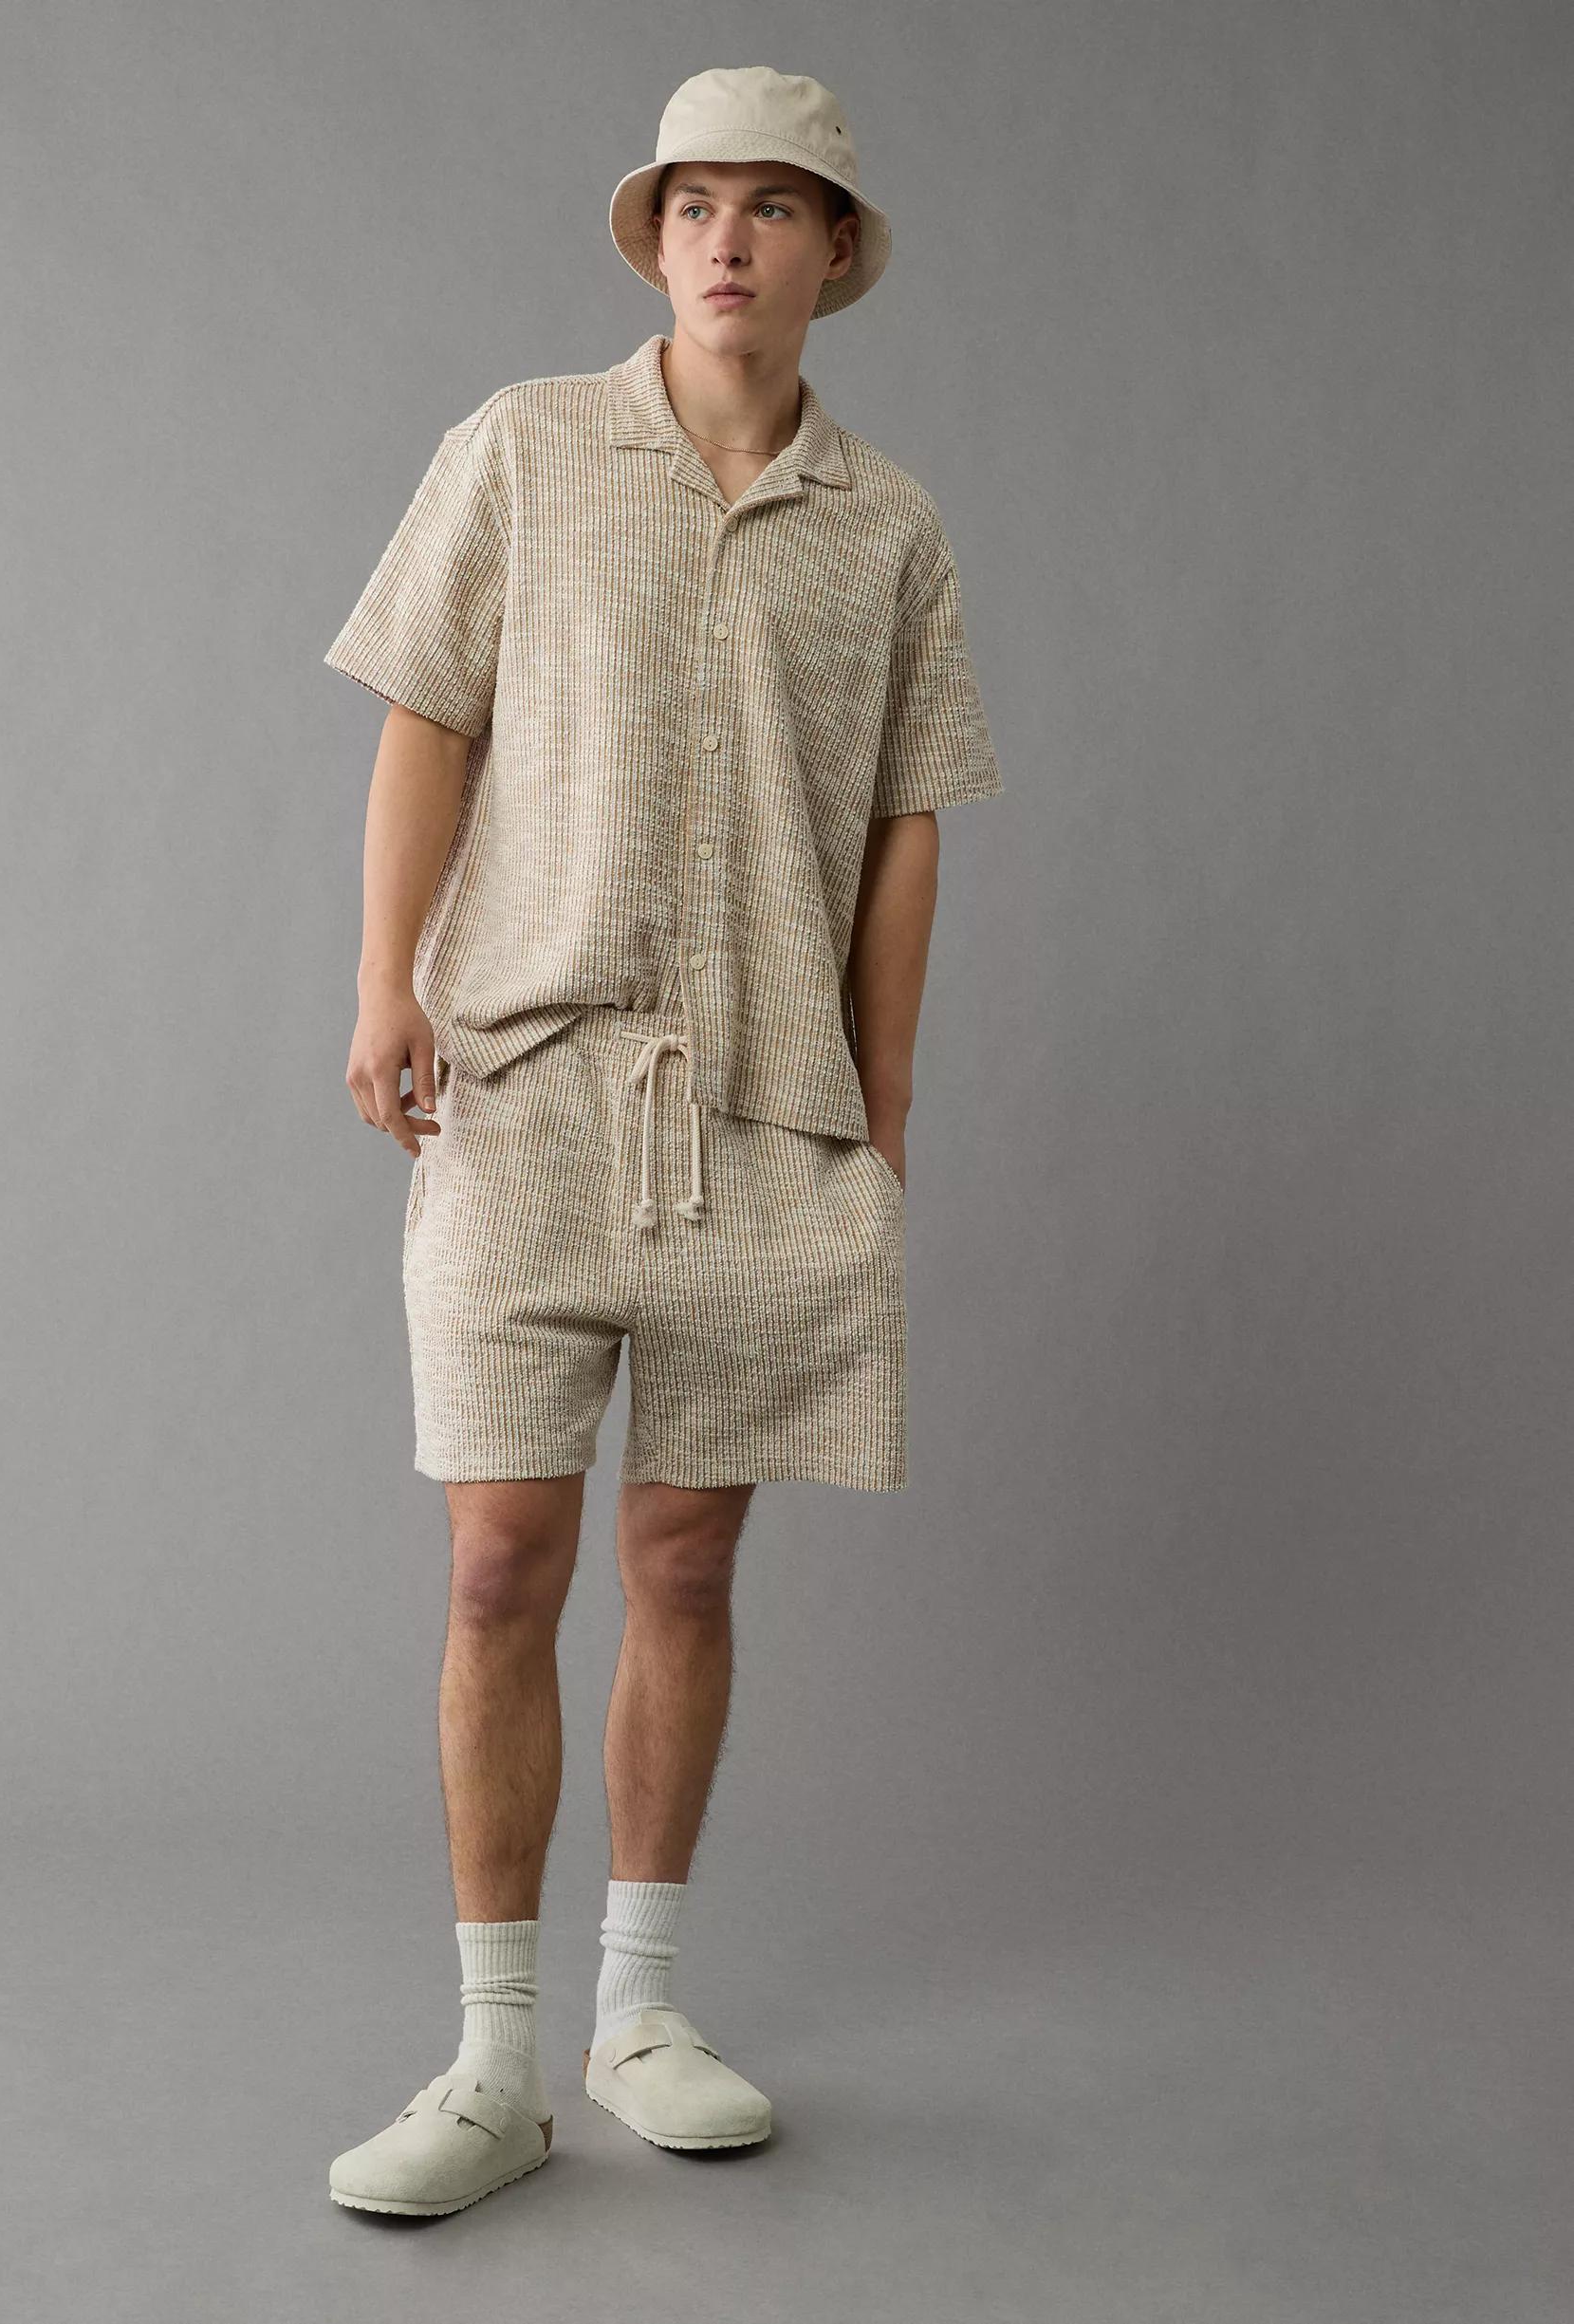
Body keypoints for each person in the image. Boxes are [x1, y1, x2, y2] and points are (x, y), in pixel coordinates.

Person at [322, 65, 1006, 2218]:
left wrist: (880, 1101)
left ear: (833, 251)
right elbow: (425, 714)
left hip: (761, 1111)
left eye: (769, 206)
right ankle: (492, 2057)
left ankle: (636, 2011)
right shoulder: (521, 447)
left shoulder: (887, 526)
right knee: (498, 1560)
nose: (725, 237)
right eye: (692, 202)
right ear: (655, 238)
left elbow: (904, 824)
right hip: (524, 1089)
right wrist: (384, 985)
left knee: (689, 1559)